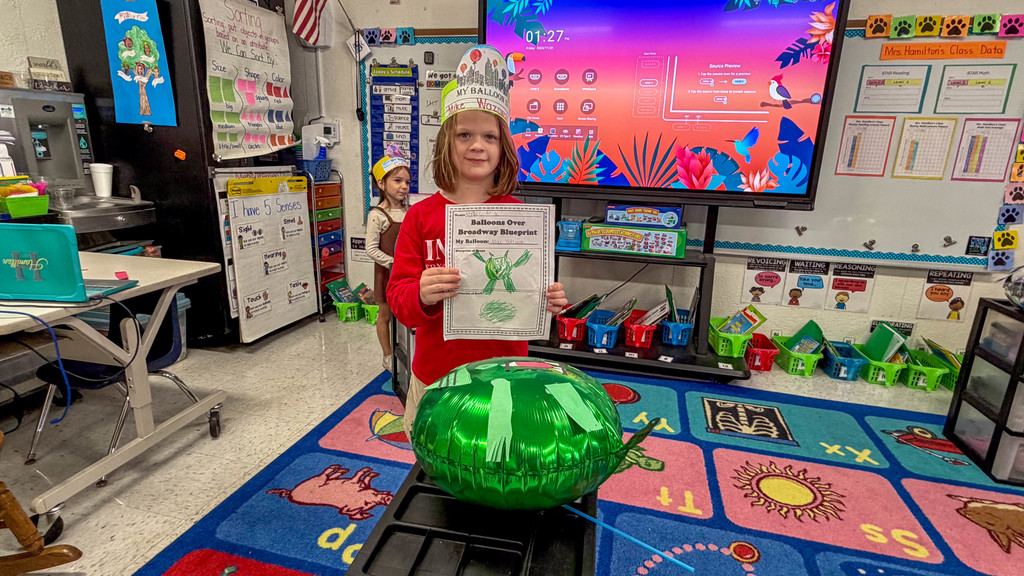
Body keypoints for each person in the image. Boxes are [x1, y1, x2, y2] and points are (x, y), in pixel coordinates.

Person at [388, 44, 568, 437]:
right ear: (445, 145)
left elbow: (528, 288)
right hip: (436, 375)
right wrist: (421, 294)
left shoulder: (520, 217)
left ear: (503, 149)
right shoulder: (420, 215)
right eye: (464, 134)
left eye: (489, 136)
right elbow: (399, 301)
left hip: (504, 375)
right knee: (434, 466)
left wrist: (546, 300)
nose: (476, 145)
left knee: (497, 461)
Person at [366, 145, 411, 371]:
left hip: (408, 273)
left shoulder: (410, 212)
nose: (404, 186)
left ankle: (407, 352)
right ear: (381, 184)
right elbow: (371, 249)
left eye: (407, 182)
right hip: (387, 273)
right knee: (385, 314)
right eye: (397, 181)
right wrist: (393, 262)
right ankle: (387, 356)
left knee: (406, 314)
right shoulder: (377, 215)